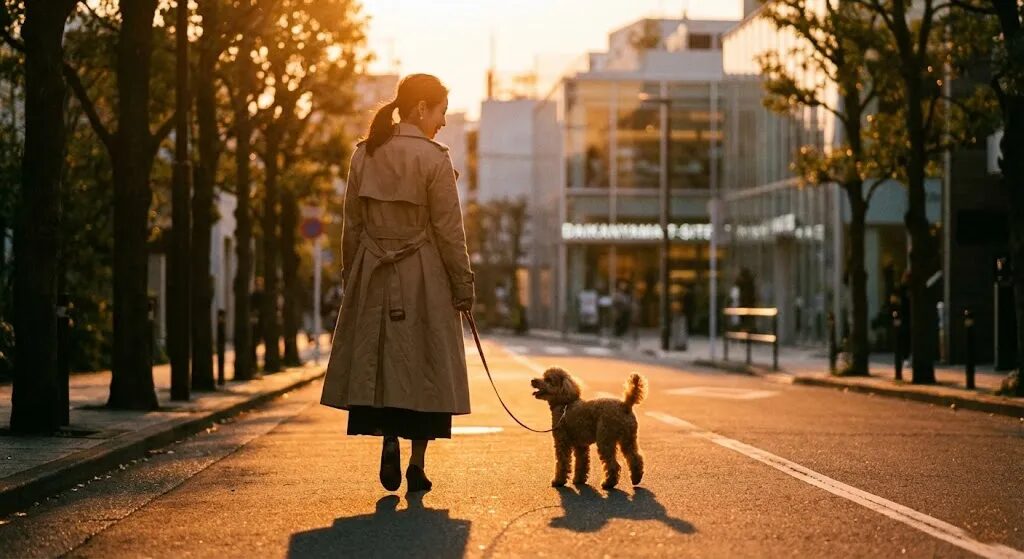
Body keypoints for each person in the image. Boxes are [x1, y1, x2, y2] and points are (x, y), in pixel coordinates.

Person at [320, 74, 475, 493]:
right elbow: (449, 231)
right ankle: (417, 465)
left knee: (384, 360)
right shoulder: (435, 159)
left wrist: (352, 275)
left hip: (374, 272)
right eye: (441, 111)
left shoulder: (364, 154)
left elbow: (352, 225)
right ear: (422, 108)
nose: (443, 122)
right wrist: (463, 286)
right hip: (424, 274)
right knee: (426, 366)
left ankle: (388, 437)